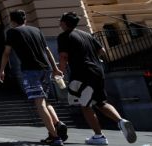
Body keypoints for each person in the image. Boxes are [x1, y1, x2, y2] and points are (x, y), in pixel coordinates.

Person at [57, 12, 137, 145]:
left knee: (85, 105)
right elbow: (103, 51)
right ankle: (121, 121)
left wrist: (60, 71)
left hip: (82, 73)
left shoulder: (64, 36)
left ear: (64, 23)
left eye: (60, 21)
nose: (59, 23)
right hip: (98, 71)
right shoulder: (87, 35)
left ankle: (99, 136)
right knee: (100, 102)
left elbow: (64, 57)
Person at [0, 10, 67, 146]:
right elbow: (47, 51)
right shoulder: (36, 30)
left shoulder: (12, 32)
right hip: (46, 69)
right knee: (45, 100)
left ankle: (55, 137)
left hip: (30, 70)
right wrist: (55, 68)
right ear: (25, 20)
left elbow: (7, 53)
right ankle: (57, 124)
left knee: (39, 103)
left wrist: (1, 70)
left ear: (12, 21)